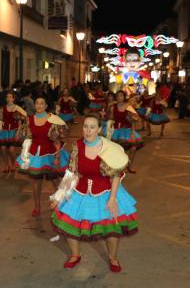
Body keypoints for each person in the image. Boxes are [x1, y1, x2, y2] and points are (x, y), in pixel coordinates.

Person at [50, 113, 138, 272]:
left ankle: (113, 258)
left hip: (106, 191)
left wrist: (112, 199)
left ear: (99, 129)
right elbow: (71, 173)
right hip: (80, 191)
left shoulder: (108, 147)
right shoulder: (77, 146)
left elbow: (116, 175)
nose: (88, 130)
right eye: (85, 126)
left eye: (92, 127)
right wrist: (59, 196)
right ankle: (75, 255)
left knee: (111, 228)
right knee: (69, 224)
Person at [17, 96, 69, 217]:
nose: (39, 105)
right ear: (34, 105)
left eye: (42, 103)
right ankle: (37, 207)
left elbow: (57, 141)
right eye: (37, 103)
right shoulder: (30, 119)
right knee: (35, 182)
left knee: (56, 181)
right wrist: (24, 148)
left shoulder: (53, 119)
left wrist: (57, 157)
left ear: (46, 106)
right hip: (35, 154)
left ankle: (61, 205)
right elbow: (29, 136)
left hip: (50, 153)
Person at [0, 91, 26, 172]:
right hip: (4, 130)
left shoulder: (17, 108)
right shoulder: (2, 108)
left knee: (11, 149)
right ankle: (6, 164)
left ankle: (13, 163)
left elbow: (23, 118)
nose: (8, 98)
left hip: (13, 130)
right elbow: (0, 119)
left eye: (10, 97)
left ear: (13, 98)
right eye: (7, 97)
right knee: (3, 148)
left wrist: (19, 129)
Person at [110, 91, 143, 173]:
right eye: (117, 96)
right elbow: (110, 119)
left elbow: (134, 120)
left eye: (121, 96)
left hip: (128, 130)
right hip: (116, 131)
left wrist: (132, 132)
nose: (119, 97)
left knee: (133, 148)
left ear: (124, 97)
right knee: (118, 149)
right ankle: (117, 166)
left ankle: (129, 165)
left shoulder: (128, 107)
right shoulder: (112, 107)